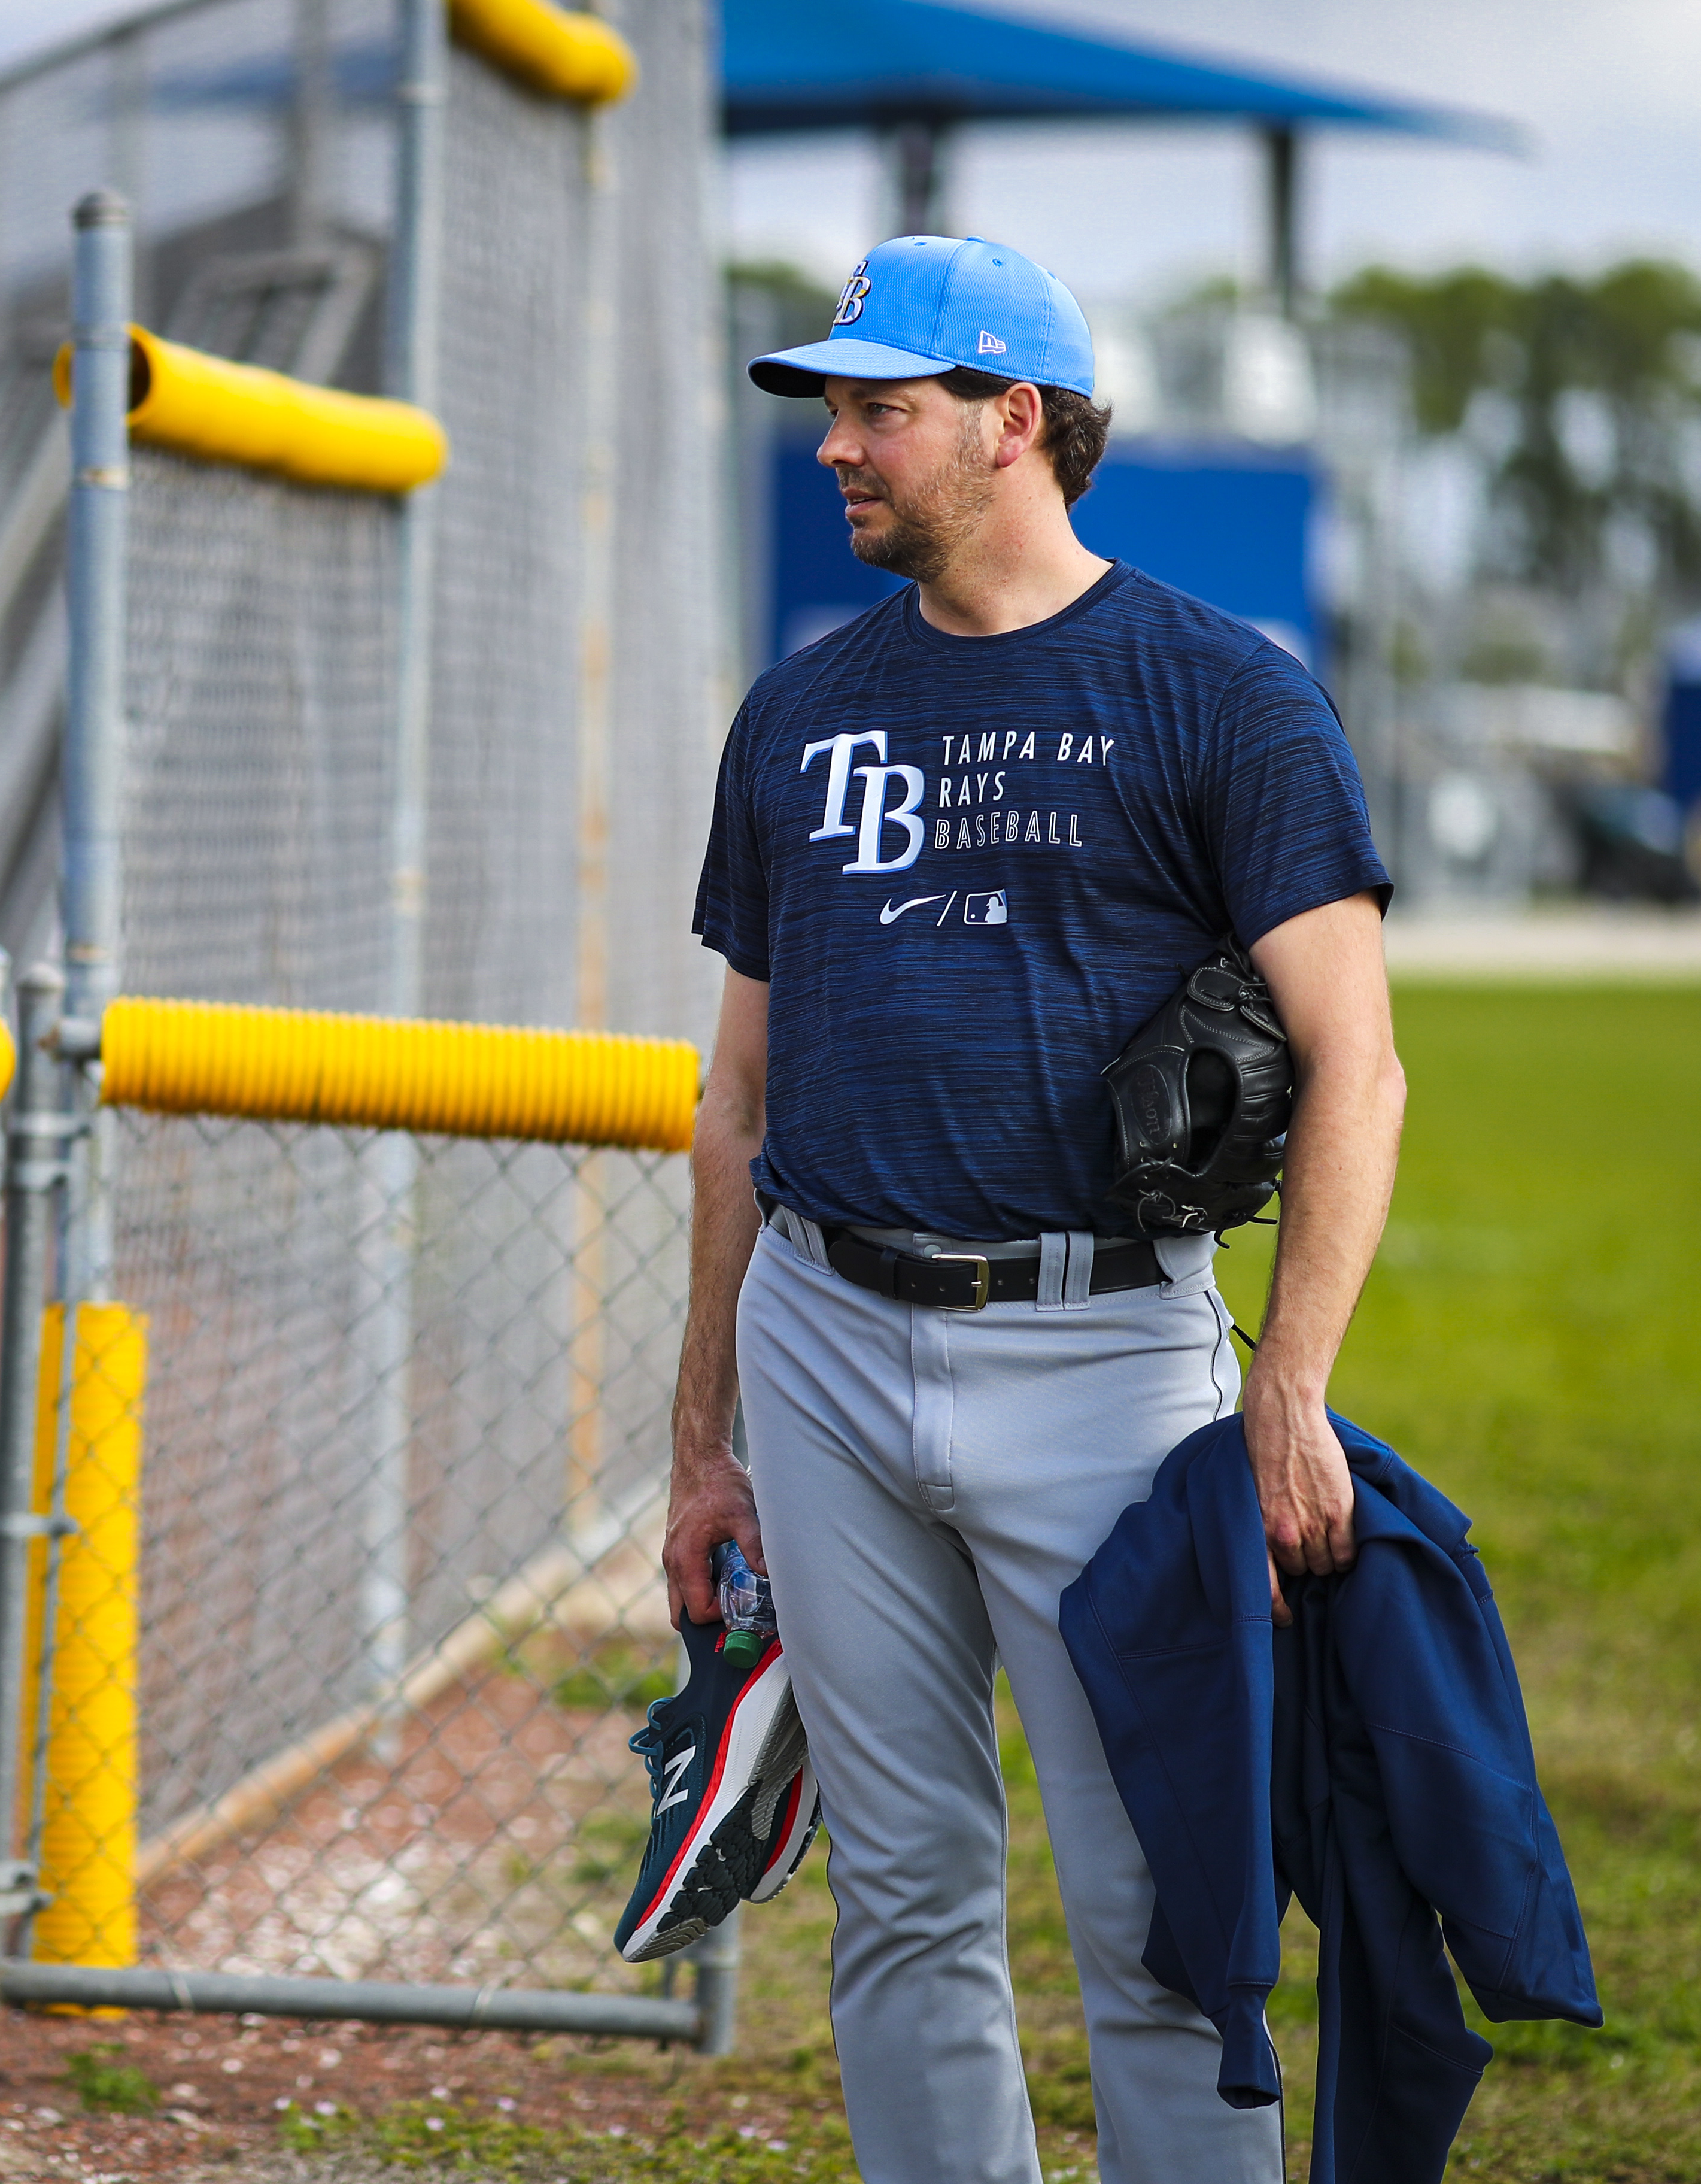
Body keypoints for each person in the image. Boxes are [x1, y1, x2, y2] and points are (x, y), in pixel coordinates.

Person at [664, 234, 1405, 2183]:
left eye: (875, 405)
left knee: (1161, 1908)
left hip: (1100, 1351)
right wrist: (697, 1445)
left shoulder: (1218, 693)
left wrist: (1292, 1386)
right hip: (820, 1340)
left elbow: (1359, 1061)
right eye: (828, 404)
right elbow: (732, 1094)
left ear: (1015, 420)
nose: (835, 443)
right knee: (903, 1898)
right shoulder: (800, 709)